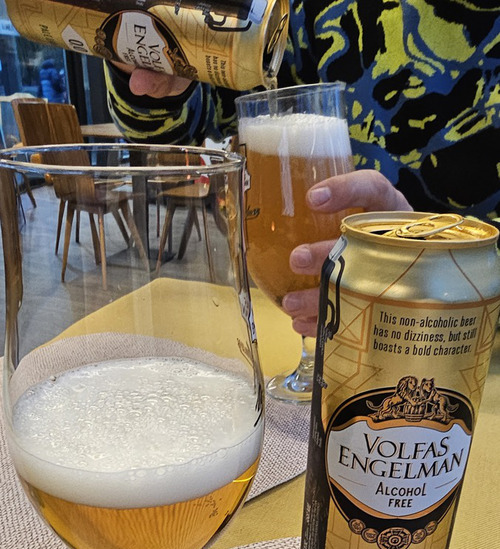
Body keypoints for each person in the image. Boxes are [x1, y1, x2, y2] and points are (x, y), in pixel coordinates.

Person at [104, 1, 500, 336]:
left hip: (479, 349)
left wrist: (435, 272)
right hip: (304, 326)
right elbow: (185, 122)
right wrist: (145, 54)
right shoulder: (296, 10)